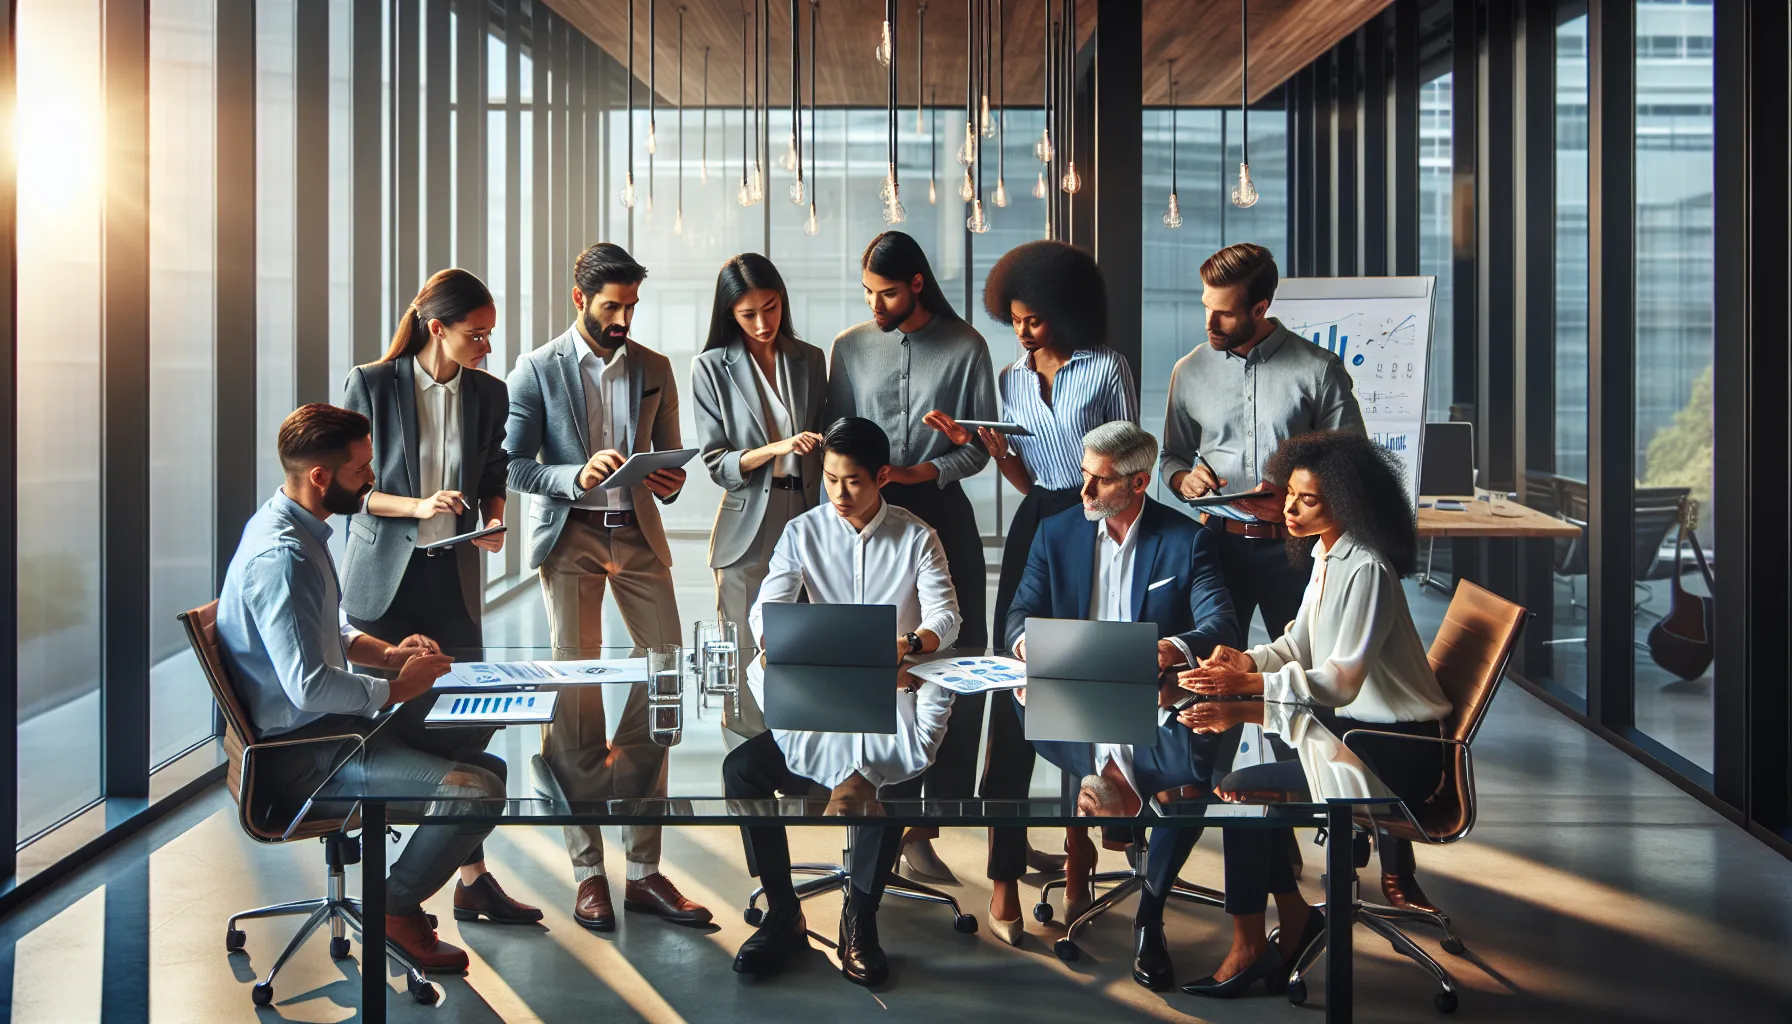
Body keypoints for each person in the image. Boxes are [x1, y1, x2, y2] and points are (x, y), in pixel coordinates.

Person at [216, 403, 500, 974]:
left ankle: (416, 897)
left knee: (485, 755)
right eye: (362, 469)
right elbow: (309, 687)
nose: (373, 478)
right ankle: (393, 908)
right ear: (321, 476)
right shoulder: (285, 557)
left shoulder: (296, 524)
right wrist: (394, 690)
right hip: (303, 759)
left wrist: (390, 654)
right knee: (479, 794)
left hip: (332, 732)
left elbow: (334, 629)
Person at [1177, 429, 1452, 998]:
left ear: (1347, 504)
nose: (1290, 509)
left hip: (1397, 751)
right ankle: (1287, 923)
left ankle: (1253, 946)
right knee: (1241, 789)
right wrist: (1246, 658)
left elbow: (1338, 681)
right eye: (1290, 496)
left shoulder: (1366, 568)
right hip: (1357, 736)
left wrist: (1247, 684)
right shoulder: (1330, 552)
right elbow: (1298, 645)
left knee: (1240, 793)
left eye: (1308, 501)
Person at [502, 242, 711, 932]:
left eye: (631, 306)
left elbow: (675, 462)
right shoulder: (536, 367)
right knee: (574, 695)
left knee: (665, 682)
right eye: (611, 306)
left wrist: (671, 479)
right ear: (580, 300)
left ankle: (644, 870)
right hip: (572, 539)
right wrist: (576, 476)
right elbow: (515, 467)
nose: (623, 318)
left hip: (638, 535)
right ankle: (589, 870)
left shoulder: (654, 367)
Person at [923, 239, 1140, 893]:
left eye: (1034, 319)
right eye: (1014, 317)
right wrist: (982, 448)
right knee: (1013, 675)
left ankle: (1085, 851)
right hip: (1036, 521)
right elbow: (1025, 476)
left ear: (1065, 311)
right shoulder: (1012, 379)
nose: (1020, 330)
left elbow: (1125, 466)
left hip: (1096, 523)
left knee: (1082, 678)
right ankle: (1003, 864)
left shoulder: (1105, 368)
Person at [723, 417, 960, 989]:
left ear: (881, 477)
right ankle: (784, 913)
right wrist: (785, 640)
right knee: (741, 770)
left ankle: (861, 916)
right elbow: (765, 610)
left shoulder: (917, 534)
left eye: (852, 482)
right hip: (822, 694)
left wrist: (907, 645)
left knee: (884, 778)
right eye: (829, 479)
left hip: (892, 691)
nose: (838, 494)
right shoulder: (804, 532)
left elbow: (946, 619)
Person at [1003, 420, 1240, 990]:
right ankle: (1098, 831)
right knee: (1069, 732)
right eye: (1085, 476)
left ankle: (1150, 914)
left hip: (1153, 693)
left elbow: (1221, 623)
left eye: (1099, 482)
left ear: (1138, 484)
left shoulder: (1187, 540)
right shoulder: (1056, 532)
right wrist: (1027, 644)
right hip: (1075, 694)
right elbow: (1018, 614)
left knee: (1188, 773)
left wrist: (1170, 647)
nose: (1084, 491)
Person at [339, 268, 540, 925]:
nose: (486, 347)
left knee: (470, 716)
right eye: (475, 335)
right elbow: (352, 491)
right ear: (437, 329)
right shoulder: (373, 383)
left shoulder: (487, 392)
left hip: (452, 575)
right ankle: (415, 878)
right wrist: (420, 504)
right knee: (395, 722)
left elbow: (491, 471)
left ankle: (468, 875)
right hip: (385, 583)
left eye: (489, 335)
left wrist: (491, 516)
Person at [827, 230, 996, 880]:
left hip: (943, 519)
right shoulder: (849, 349)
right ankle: (879, 816)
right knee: (881, 666)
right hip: (870, 530)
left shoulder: (967, 347)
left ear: (917, 284)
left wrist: (919, 474)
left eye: (887, 293)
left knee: (954, 660)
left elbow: (978, 448)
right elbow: (838, 442)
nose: (875, 305)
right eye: (868, 293)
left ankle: (929, 826)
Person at [1159, 243, 1365, 646]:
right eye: (1206, 306)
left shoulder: (1320, 370)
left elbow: (1352, 464)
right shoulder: (1188, 370)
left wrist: (1296, 498)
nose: (1210, 322)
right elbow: (1171, 456)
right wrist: (1183, 480)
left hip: (1298, 548)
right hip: (1216, 546)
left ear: (1260, 308)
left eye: (1225, 313)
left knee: (1305, 673)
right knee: (1210, 674)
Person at [690, 254, 828, 744]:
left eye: (770, 308)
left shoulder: (810, 358)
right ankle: (746, 755)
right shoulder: (710, 367)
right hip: (747, 520)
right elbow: (717, 465)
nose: (763, 323)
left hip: (809, 514)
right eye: (748, 315)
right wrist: (777, 448)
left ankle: (801, 748)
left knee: (805, 636)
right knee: (742, 644)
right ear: (729, 314)